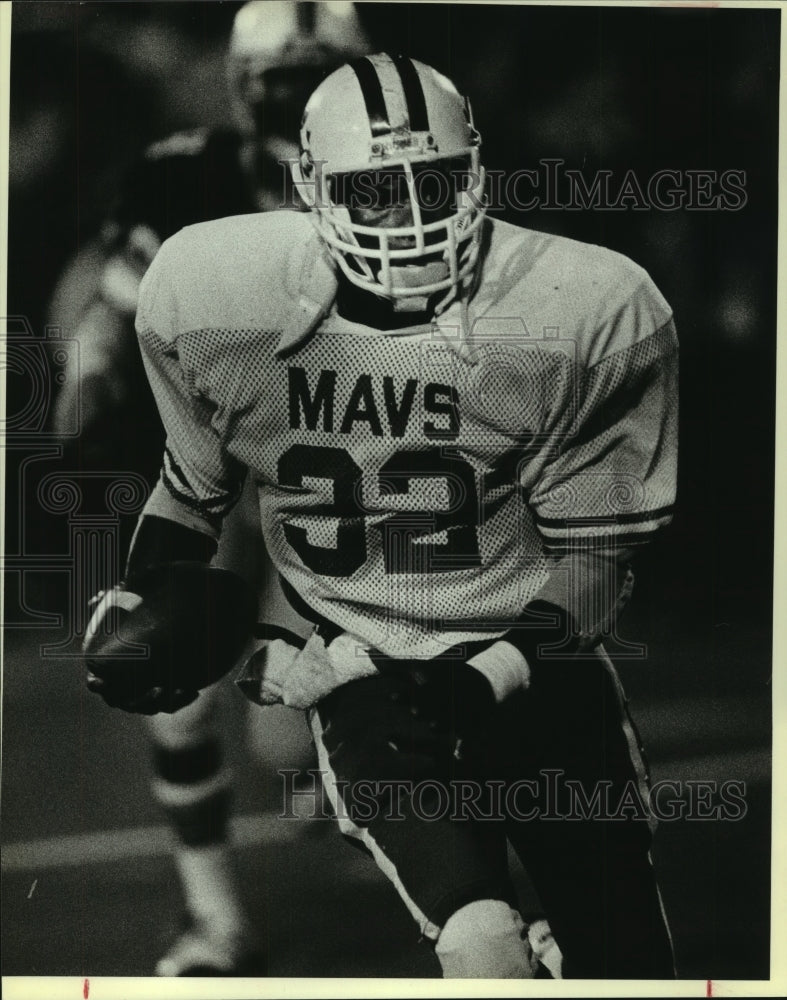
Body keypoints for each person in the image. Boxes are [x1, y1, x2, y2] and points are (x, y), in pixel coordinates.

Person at [86, 52, 678, 978]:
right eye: (373, 191)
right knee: (481, 953)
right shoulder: (220, 299)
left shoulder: (578, 309)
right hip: (370, 679)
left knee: (627, 966)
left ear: (472, 174)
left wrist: (486, 678)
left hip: (540, 667)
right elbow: (191, 489)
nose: (407, 217)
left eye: (430, 183)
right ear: (311, 191)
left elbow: (597, 562)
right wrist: (140, 594)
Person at [52, 1, 371, 976]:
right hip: (203, 467)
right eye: (281, 78)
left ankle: (332, 774)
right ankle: (215, 922)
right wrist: (88, 379)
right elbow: (106, 309)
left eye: (316, 77)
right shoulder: (186, 174)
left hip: (332, 473)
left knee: (288, 734)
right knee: (168, 681)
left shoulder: (391, 178)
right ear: (240, 86)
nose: (296, 100)